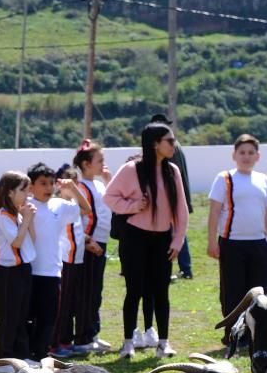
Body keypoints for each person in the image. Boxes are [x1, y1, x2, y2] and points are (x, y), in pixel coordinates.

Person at [104, 121, 188, 358]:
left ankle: (163, 343)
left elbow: (181, 210)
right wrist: (133, 206)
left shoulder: (173, 171)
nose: (174, 145)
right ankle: (128, 342)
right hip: (134, 238)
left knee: (161, 291)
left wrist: (177, 240)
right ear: (154, 144)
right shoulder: (132, 169)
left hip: (163, 239)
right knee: (134, 290)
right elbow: (109, 197)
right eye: (169, 141)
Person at [206, 135, 267, 331]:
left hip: (258, 244)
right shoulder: (225, 178)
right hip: (232, 244)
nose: (246, 157)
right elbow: (214, 212)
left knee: (258, 291)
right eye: (242, 152)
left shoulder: (263, 179)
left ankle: (255, 332)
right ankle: (233, 333)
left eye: (250, 153)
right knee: (233, 291)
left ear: (258, 156)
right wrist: (212, 242)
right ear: (234, 155)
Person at [26, 162, 90, 360]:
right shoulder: (26, 206)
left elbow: (85, 208)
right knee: (29, 317)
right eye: (42, 183)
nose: (48, 188)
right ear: (31, 186)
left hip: (52, 271)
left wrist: (73, 188)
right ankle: (28, 353)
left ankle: (42, 353)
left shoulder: (59, 206)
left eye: (51, 183)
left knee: (49, 317)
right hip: (29, 270)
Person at [72, 143, 113, 353]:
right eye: (100, 161)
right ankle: (82, 337)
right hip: (88, 245)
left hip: (101, 242)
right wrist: (88, 241)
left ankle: (92, 332)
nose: (103, 165)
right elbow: (79, 219)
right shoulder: (81, 187)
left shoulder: (98, 184)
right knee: (86, 291)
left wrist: (107, 179)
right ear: (86, 164)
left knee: (96, 291)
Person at [0, 170, 34, 359]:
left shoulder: (16, 213)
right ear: (9, 192)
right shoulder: (3, 215)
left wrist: (25, 218)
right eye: (23, 190)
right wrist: (27, 220)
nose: (27, 194)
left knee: (22, 313)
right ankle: (4, 355)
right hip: (9, 271)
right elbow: (16, 242)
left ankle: (21, 354)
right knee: (8, 315)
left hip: (23, 267)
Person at [150, 114, 194, 280]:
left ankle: (185, 268)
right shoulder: (174, 143)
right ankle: (185, 268)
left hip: (172, 197)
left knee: (175, 232)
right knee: (178, 230)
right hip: (177, 196)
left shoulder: (167, 146)